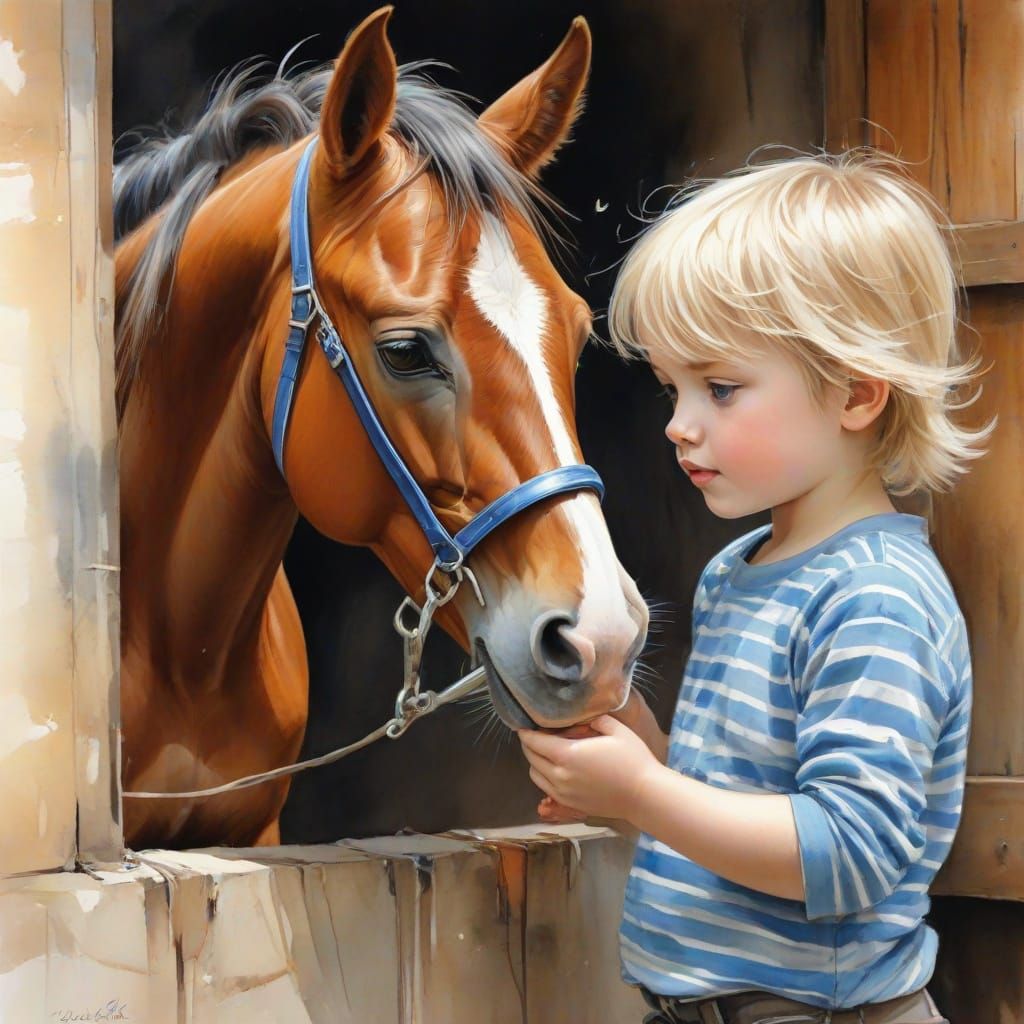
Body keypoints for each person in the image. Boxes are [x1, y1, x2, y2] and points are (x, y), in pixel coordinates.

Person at [518, 150, 992, 1024]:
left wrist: (643, 794)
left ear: (855, 393)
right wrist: (639, 750)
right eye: (671, 386)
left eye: (720, 388)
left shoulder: (876, 598)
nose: (676, 424)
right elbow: (737, 809)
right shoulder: (737, 573)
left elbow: (845, 854)